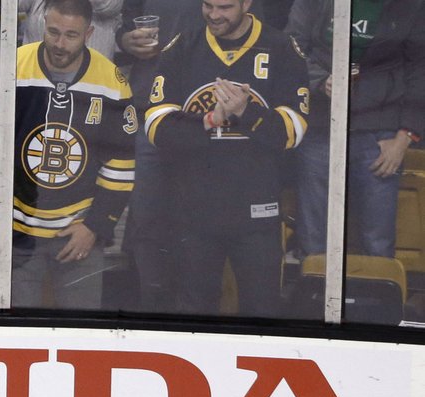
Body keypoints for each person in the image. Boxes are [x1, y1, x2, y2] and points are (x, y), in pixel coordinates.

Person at [143, 0, 309, 317]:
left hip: (257, 211)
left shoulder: (281, 47)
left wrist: (246, 113)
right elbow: (156, 127)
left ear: (247, 3)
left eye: (225, 7)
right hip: (193, 209)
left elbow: (294, 131)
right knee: (192, 311)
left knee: (261, 312)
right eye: (208, 5)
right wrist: (209, 121)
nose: (214, 15)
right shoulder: (182, 46)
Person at [0, 0, 137, 309]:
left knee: (83, 335)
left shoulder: (112, 82)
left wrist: (96, 226)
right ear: (42, 26)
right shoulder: (7, 68)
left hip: (79, 232)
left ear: (88, 33)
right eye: (53, 32)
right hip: (16, 229)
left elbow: (121, 166)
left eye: (71, 35)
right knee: (16, 333)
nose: (60, 44)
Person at [286, 0, 425, 261]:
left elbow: (420, 70)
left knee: (377, 242)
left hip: (380, 135)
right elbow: (292, 47)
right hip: (320, 127)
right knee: (313, 238)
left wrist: (406, 135)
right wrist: (320, 80)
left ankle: (377, 301)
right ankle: (314, 299)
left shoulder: (410, 5)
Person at [114, 0, 206, 312]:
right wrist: (127, 40)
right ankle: (147, 309)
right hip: (149, 106)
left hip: (204, 113)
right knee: (146, 215)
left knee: (197, 217)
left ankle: (192, 311)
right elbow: (127, 24)